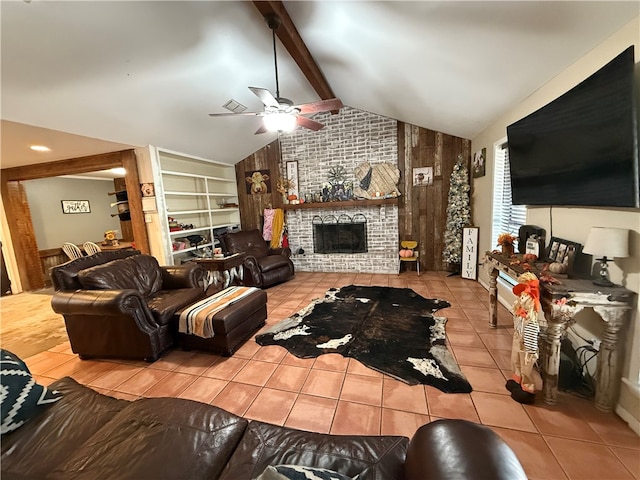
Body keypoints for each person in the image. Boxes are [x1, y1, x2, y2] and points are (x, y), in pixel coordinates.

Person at [506, 271, 543, 404]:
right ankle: (517, 381)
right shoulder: (519, 314)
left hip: (527, 347)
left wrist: (531, 351)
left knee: (526, 367)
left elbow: (532, 340)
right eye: (521, 297)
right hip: (518, 339)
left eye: (524, 298)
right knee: (515, 360)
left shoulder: (531, 322)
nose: (521, 300)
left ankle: (528, 389)